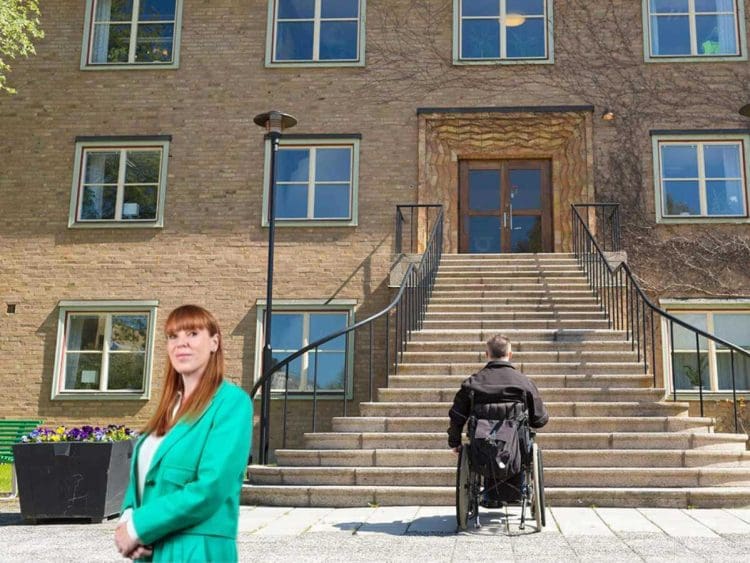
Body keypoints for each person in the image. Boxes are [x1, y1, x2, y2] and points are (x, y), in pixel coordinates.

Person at [114, 304, 252, 562]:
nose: (181, 343)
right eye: (173, 336)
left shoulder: (231, 403)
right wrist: (128, 517)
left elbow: (210, 489)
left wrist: (138, 527)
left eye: (192, 334)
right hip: (149, 551)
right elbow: (144, 478)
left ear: (214, 342)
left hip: (196, 551)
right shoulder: (169, 407)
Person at [447, 334, 548, 506]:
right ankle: (518, 490)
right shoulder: (524, 383)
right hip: (516, 449)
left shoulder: (472, 383)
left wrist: (454, 441)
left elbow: (457, 416)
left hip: (482, 450)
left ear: (487, 354)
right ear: (510, 355)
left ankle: (488, 494)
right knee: (524, 439)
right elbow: (539, 420)